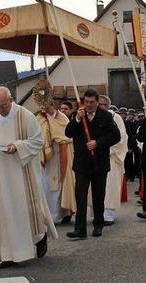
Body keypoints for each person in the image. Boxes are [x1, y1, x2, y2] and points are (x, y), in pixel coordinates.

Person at [0, 87, 58, 268]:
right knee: (6, 212)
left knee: (26, 209)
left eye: (4, 105)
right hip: (2, 171)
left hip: (22, 170)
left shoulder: (24, 115)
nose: (1, 110)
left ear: (11, 99)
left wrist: (18, 146)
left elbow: (37, 140)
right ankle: (8, 254)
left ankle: (39, 238)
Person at [65, 89, 121, 239]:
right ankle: (80, 229)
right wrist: (77, 118)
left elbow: (116, 136)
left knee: (98, 196)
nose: (89, 105)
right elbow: (68, 133)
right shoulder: (78, 116)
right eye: (86, 102)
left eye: (92, 102)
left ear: (97, 102)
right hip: (82, 164)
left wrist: (98, 143)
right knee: (81, 196)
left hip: (99, 163)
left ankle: (98, 225)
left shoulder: (106, 116)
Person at [36, 101, 73, 224]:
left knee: (60, 186)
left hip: (59, 155)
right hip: (45, 158)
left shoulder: (62, 118)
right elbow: (36, 135)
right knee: (46, 186)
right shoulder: (39, 118)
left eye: (45, 105)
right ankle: (50, 215)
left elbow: (68, 136)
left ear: (52, 104)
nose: (43, 108)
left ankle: (62, 213)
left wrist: (57, 139)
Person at [100, 96, 128, 226]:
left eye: (103, 104)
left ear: (108, 105)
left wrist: (107, 149)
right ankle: (98, 213)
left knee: (110, 186)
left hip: (111, 156)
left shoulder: (115, 118)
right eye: (98, 104)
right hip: (96, 157)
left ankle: (108, 214)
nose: (101, 106)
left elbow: (121, 137)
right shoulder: (92, 117)